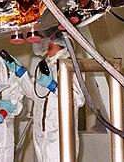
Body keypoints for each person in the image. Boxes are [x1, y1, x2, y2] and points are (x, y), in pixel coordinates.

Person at [8, 28, 85, 162]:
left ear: (55, 39)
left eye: (43, 36)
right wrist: (20, 74)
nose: (39, 40)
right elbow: (36, 94)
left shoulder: (70, 64)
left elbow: (79, 99)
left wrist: (54, 87)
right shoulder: (45, 65)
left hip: (60, 136)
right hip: (41, 133)